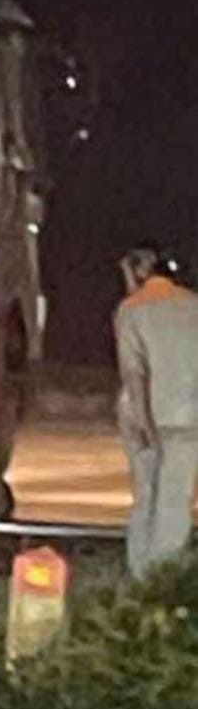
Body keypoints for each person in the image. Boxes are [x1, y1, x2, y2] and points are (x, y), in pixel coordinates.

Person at [115, 244, 198, 578]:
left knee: (145, 495)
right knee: (175, 498)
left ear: (139, 272)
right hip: (186, 415)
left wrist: (144, 420)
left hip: (141, 417)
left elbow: (134, 372)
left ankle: (140, 572)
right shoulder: (192, 306)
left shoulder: (131, 310)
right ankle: (165, 575)